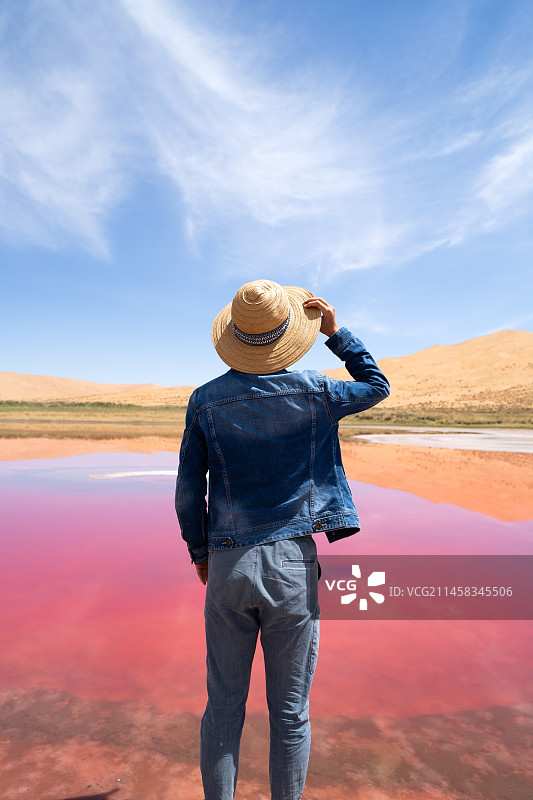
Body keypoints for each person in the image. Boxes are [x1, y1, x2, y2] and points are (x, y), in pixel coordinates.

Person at [175, 279, 390, 800]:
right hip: (292, 564)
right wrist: (338, 333)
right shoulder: (317, 390)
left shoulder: (205, 401)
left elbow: (187, 493)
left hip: (227, 564)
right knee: (290, 713)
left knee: (223, 706)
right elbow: (376, 385)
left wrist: (202, 555)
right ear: (289, 334)